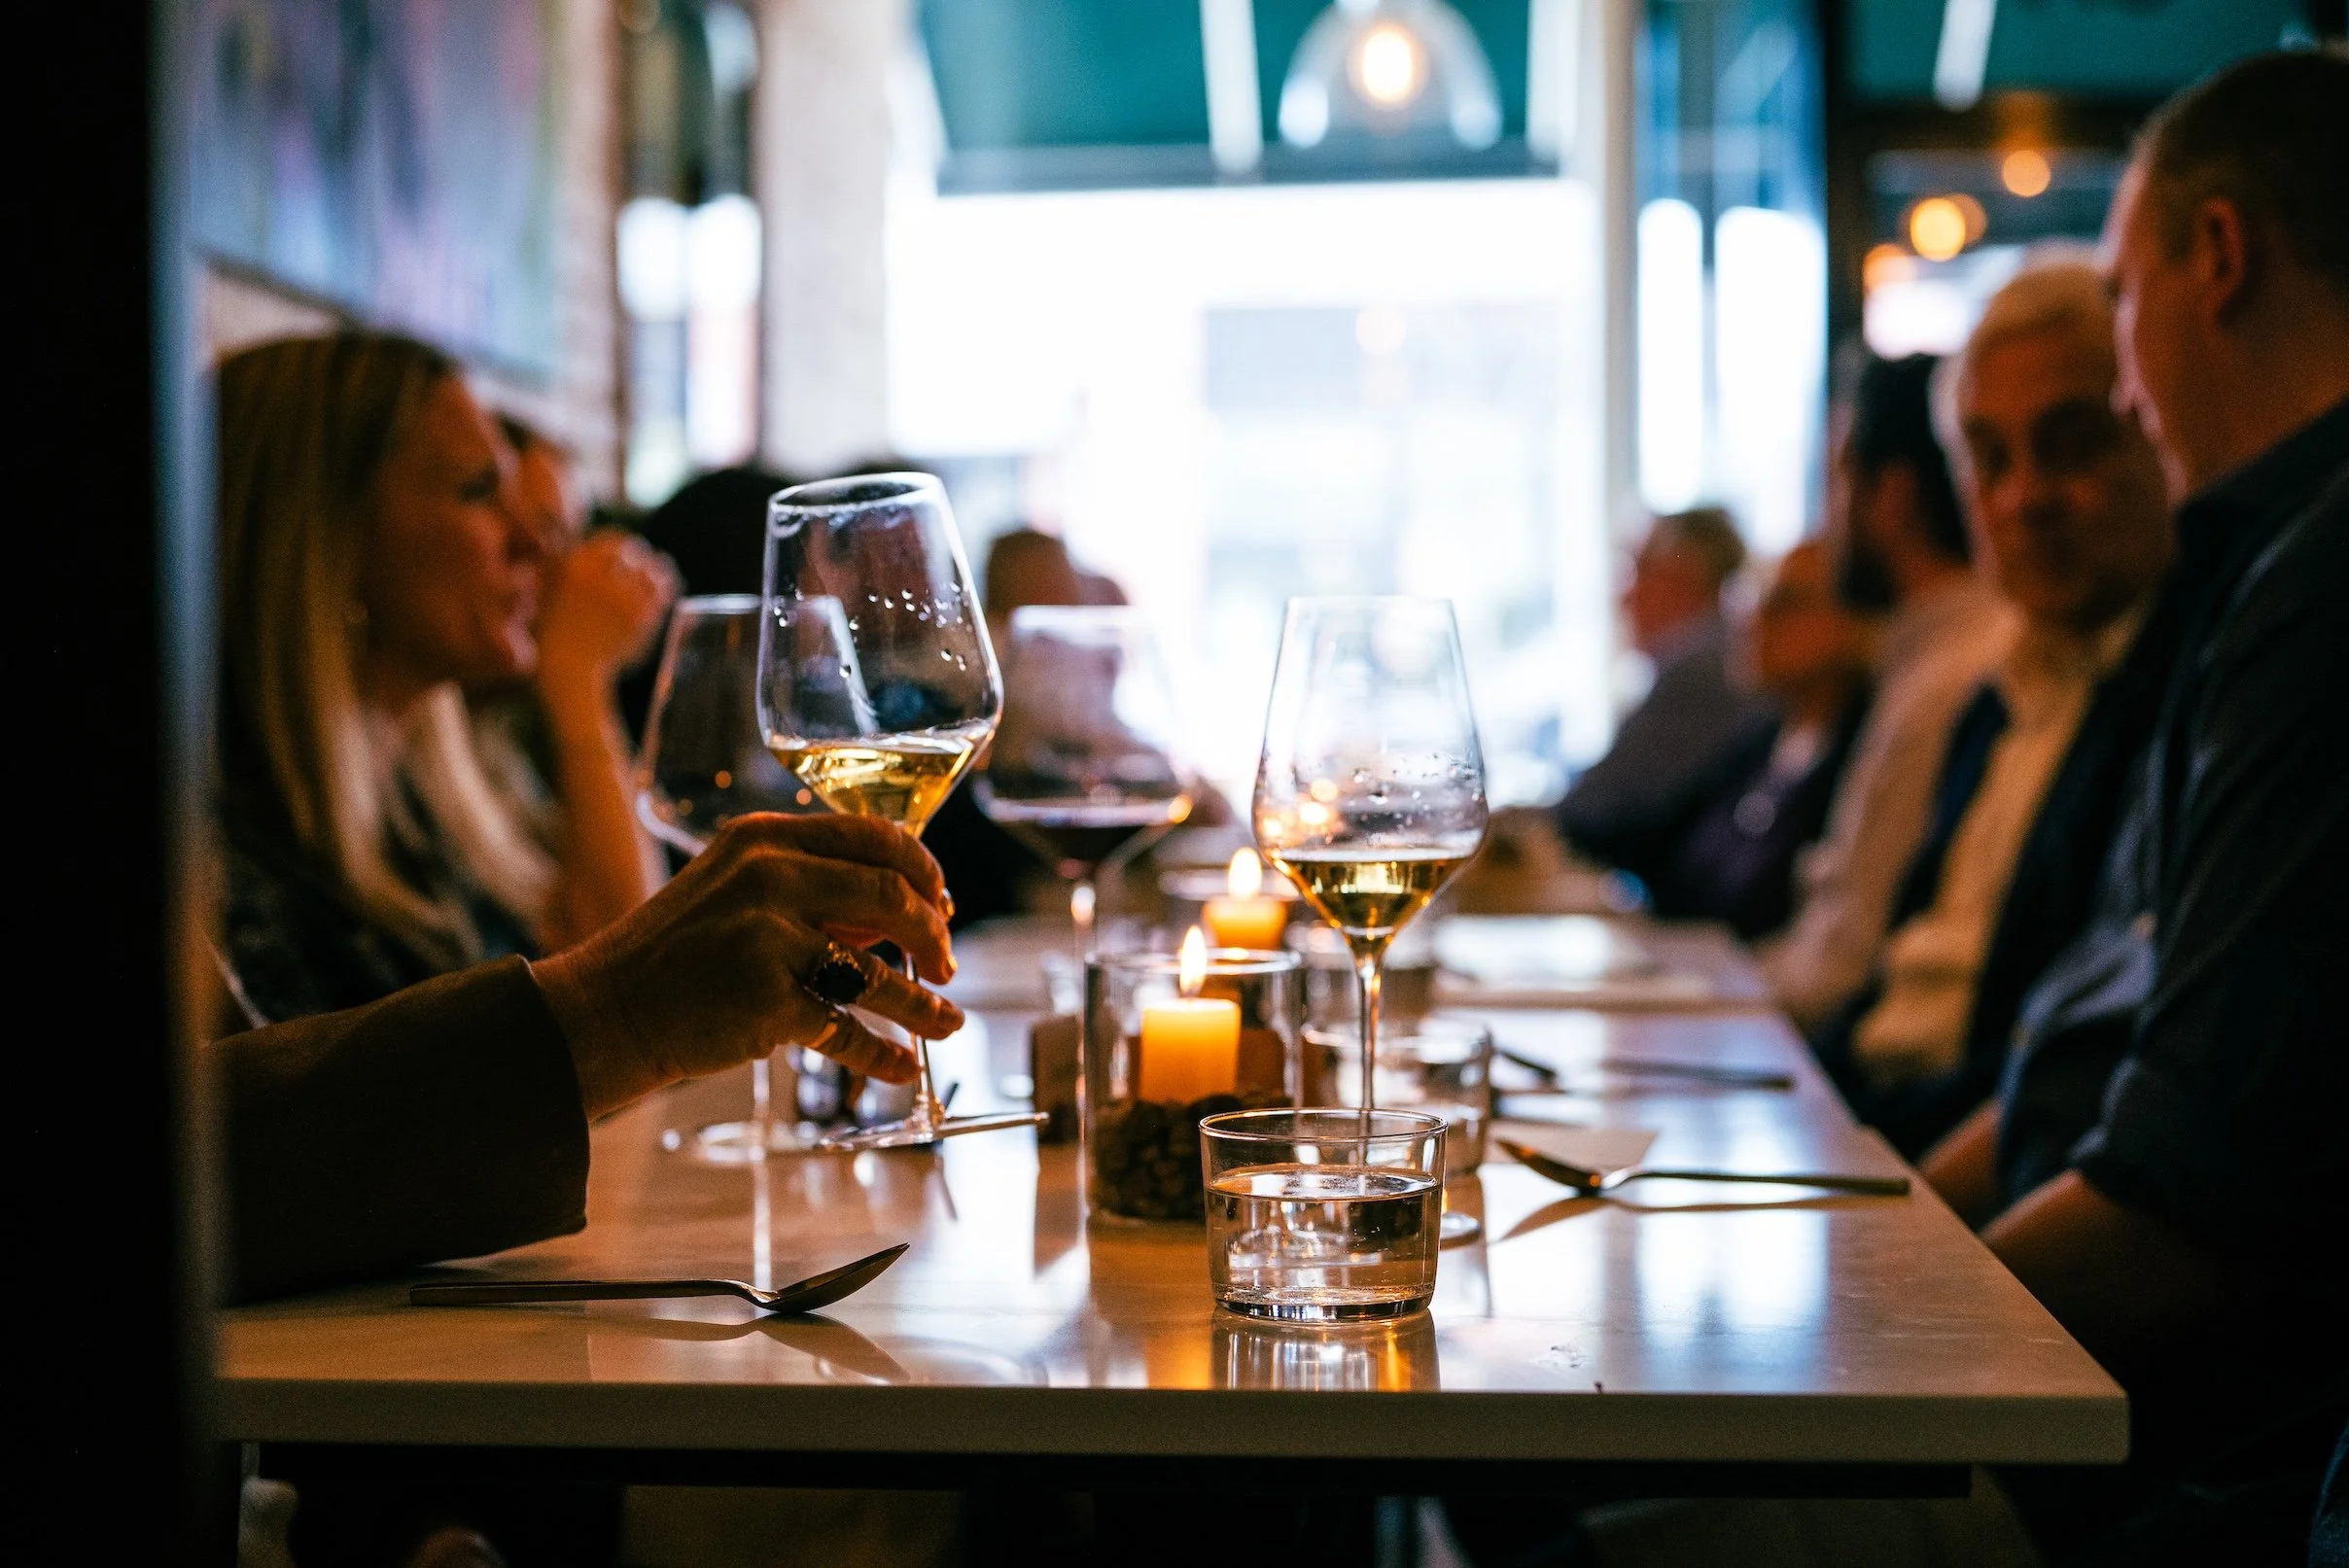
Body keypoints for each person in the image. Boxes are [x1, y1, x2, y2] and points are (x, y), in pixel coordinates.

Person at [1915, 49, 2348, 1563]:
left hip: (2188, 1460)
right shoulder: (2261, 574)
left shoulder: (2314, 580)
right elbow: (2092, 1042)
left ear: (2214, 258)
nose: (2128, 371)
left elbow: (2190, 1206)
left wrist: (1872, 1333)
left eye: (2124, 288)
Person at [1813, 257, 2178, 1159]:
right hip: (1869, 1119)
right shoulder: (1994, 699)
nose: (2023, 497)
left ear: (2155, 438)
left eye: (2068, 443)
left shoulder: (2176, 699)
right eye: (1990, 458)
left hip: (1949, 1161)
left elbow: (2060, 1079)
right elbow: (1888, 979)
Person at [213, 334, 675, 1028]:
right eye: (479, 490)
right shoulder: (225, 864)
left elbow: (630, 1005)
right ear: (332, 541)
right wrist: (578, 679)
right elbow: (635, 1012)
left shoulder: (424, 810)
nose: (536, 544)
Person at [1758, 353, 2014, 1028]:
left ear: (1892, 498)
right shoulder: (1919, 665)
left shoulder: (1948, 682)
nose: (1825, 518)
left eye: (1836, 481)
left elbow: (1843, 968)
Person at [1636, 540, 1873, 940]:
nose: (1755, 621)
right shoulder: (1760, 744)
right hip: (1703, 983)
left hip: (1765, 996)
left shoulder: (1859, 755)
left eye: (1785, 604)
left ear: (1854, 620)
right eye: (1754, 601)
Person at [1555, 507, 1777, 872]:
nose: (1623, 597)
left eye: (1637, 571)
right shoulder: (1710, 657)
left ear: (1682, 577)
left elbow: (1598, 802)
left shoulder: (1700, 668)